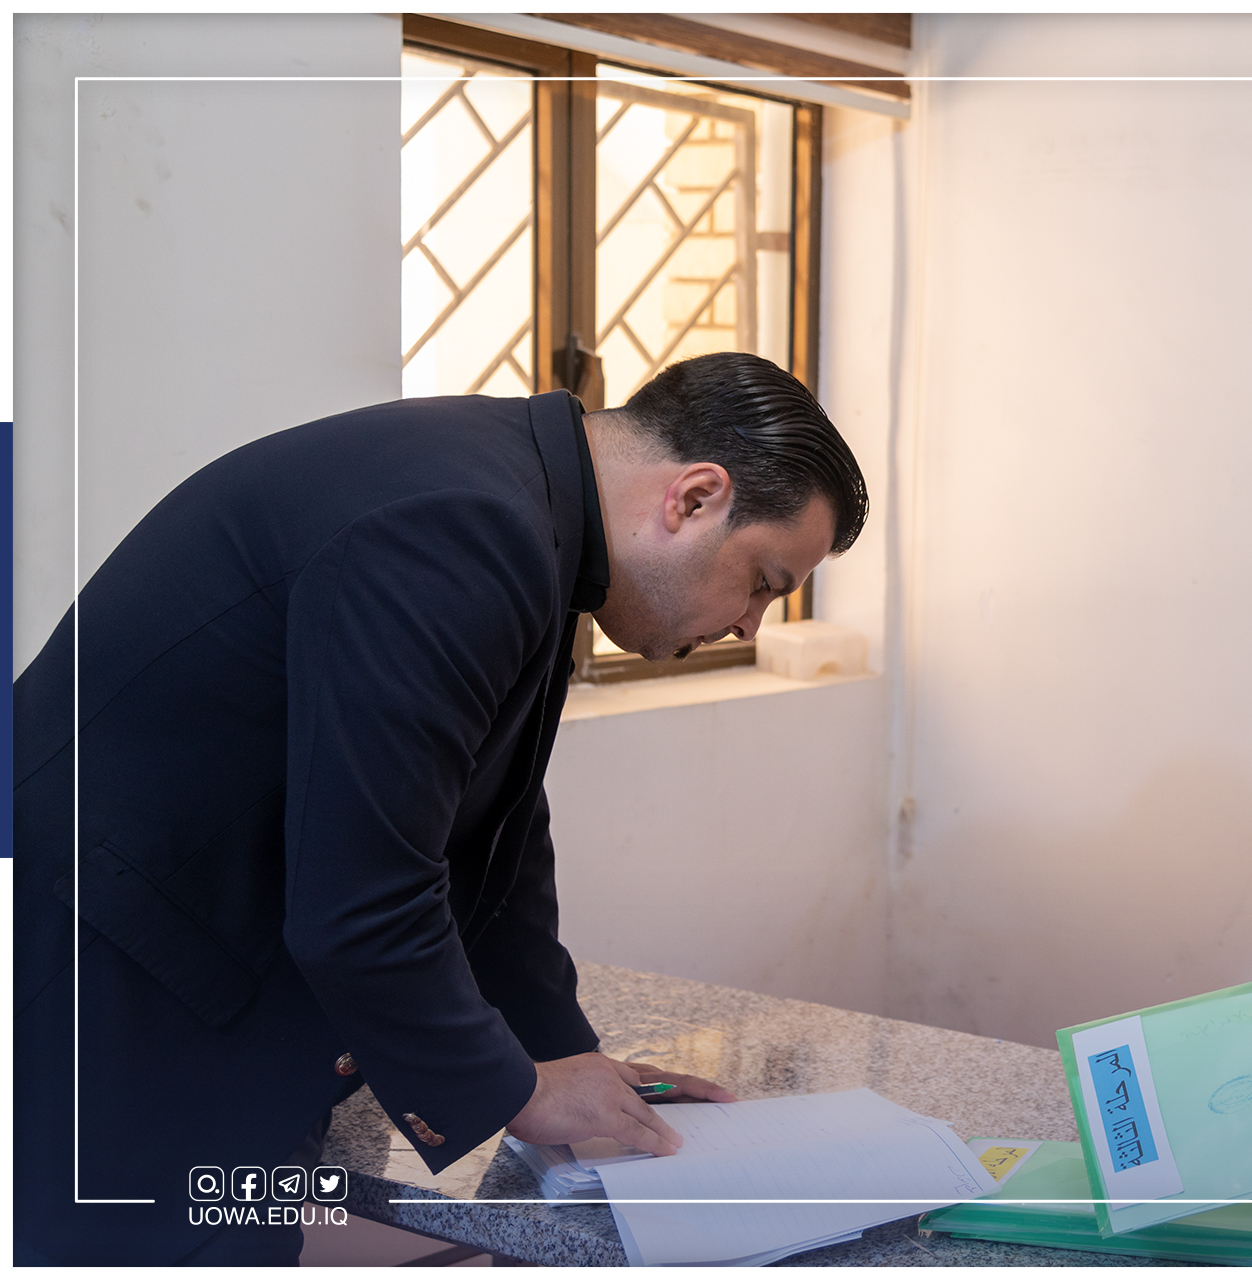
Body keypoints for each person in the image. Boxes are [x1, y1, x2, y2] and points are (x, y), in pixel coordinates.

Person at [13, 351, 869, 1264]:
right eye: (763, 581)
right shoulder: (465, 527)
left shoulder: (526, 510)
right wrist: (517, 1091)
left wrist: (561, 1055)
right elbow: (363, 898)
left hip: (177, 982)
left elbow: (492, 829)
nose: (750, 624)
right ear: (694, 498)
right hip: (97, 1003)